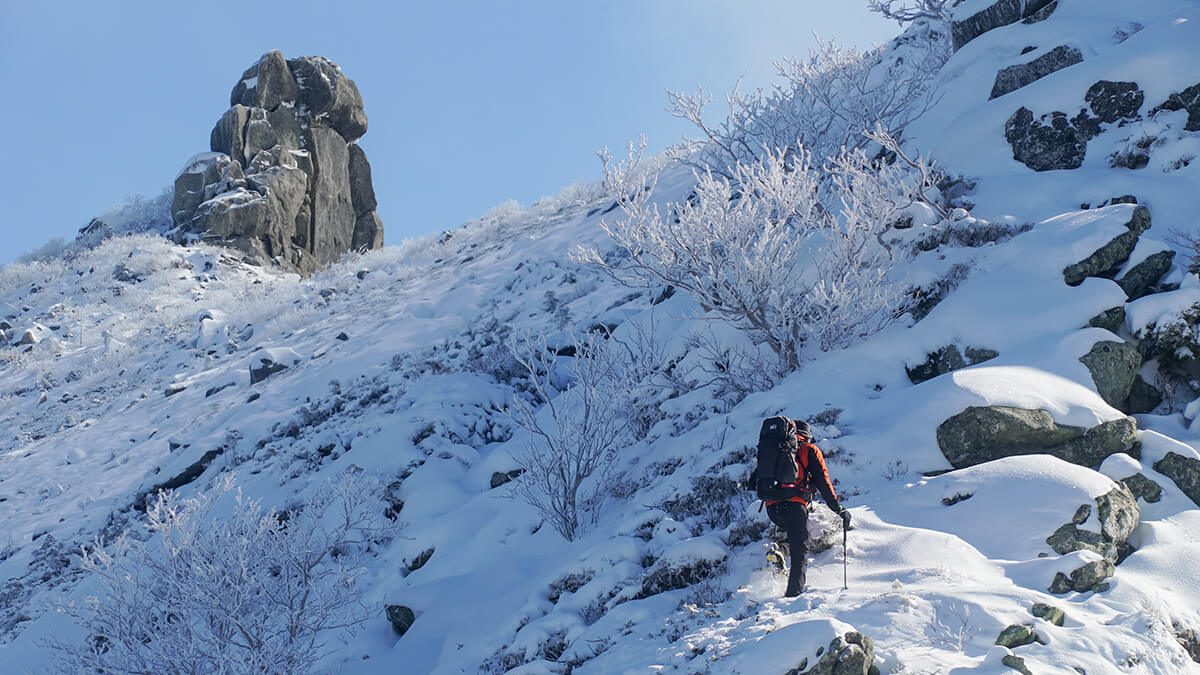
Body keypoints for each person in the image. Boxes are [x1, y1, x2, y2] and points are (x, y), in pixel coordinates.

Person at [764, 419, 850, 597]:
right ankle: (793, 595)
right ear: (808, 435)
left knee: (796, 537)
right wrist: (838, 509)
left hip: (771, 507)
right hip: (795, 505)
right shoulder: (809, 450)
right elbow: (823, 482)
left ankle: (780, 551)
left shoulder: (777, 449)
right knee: (800, 549)